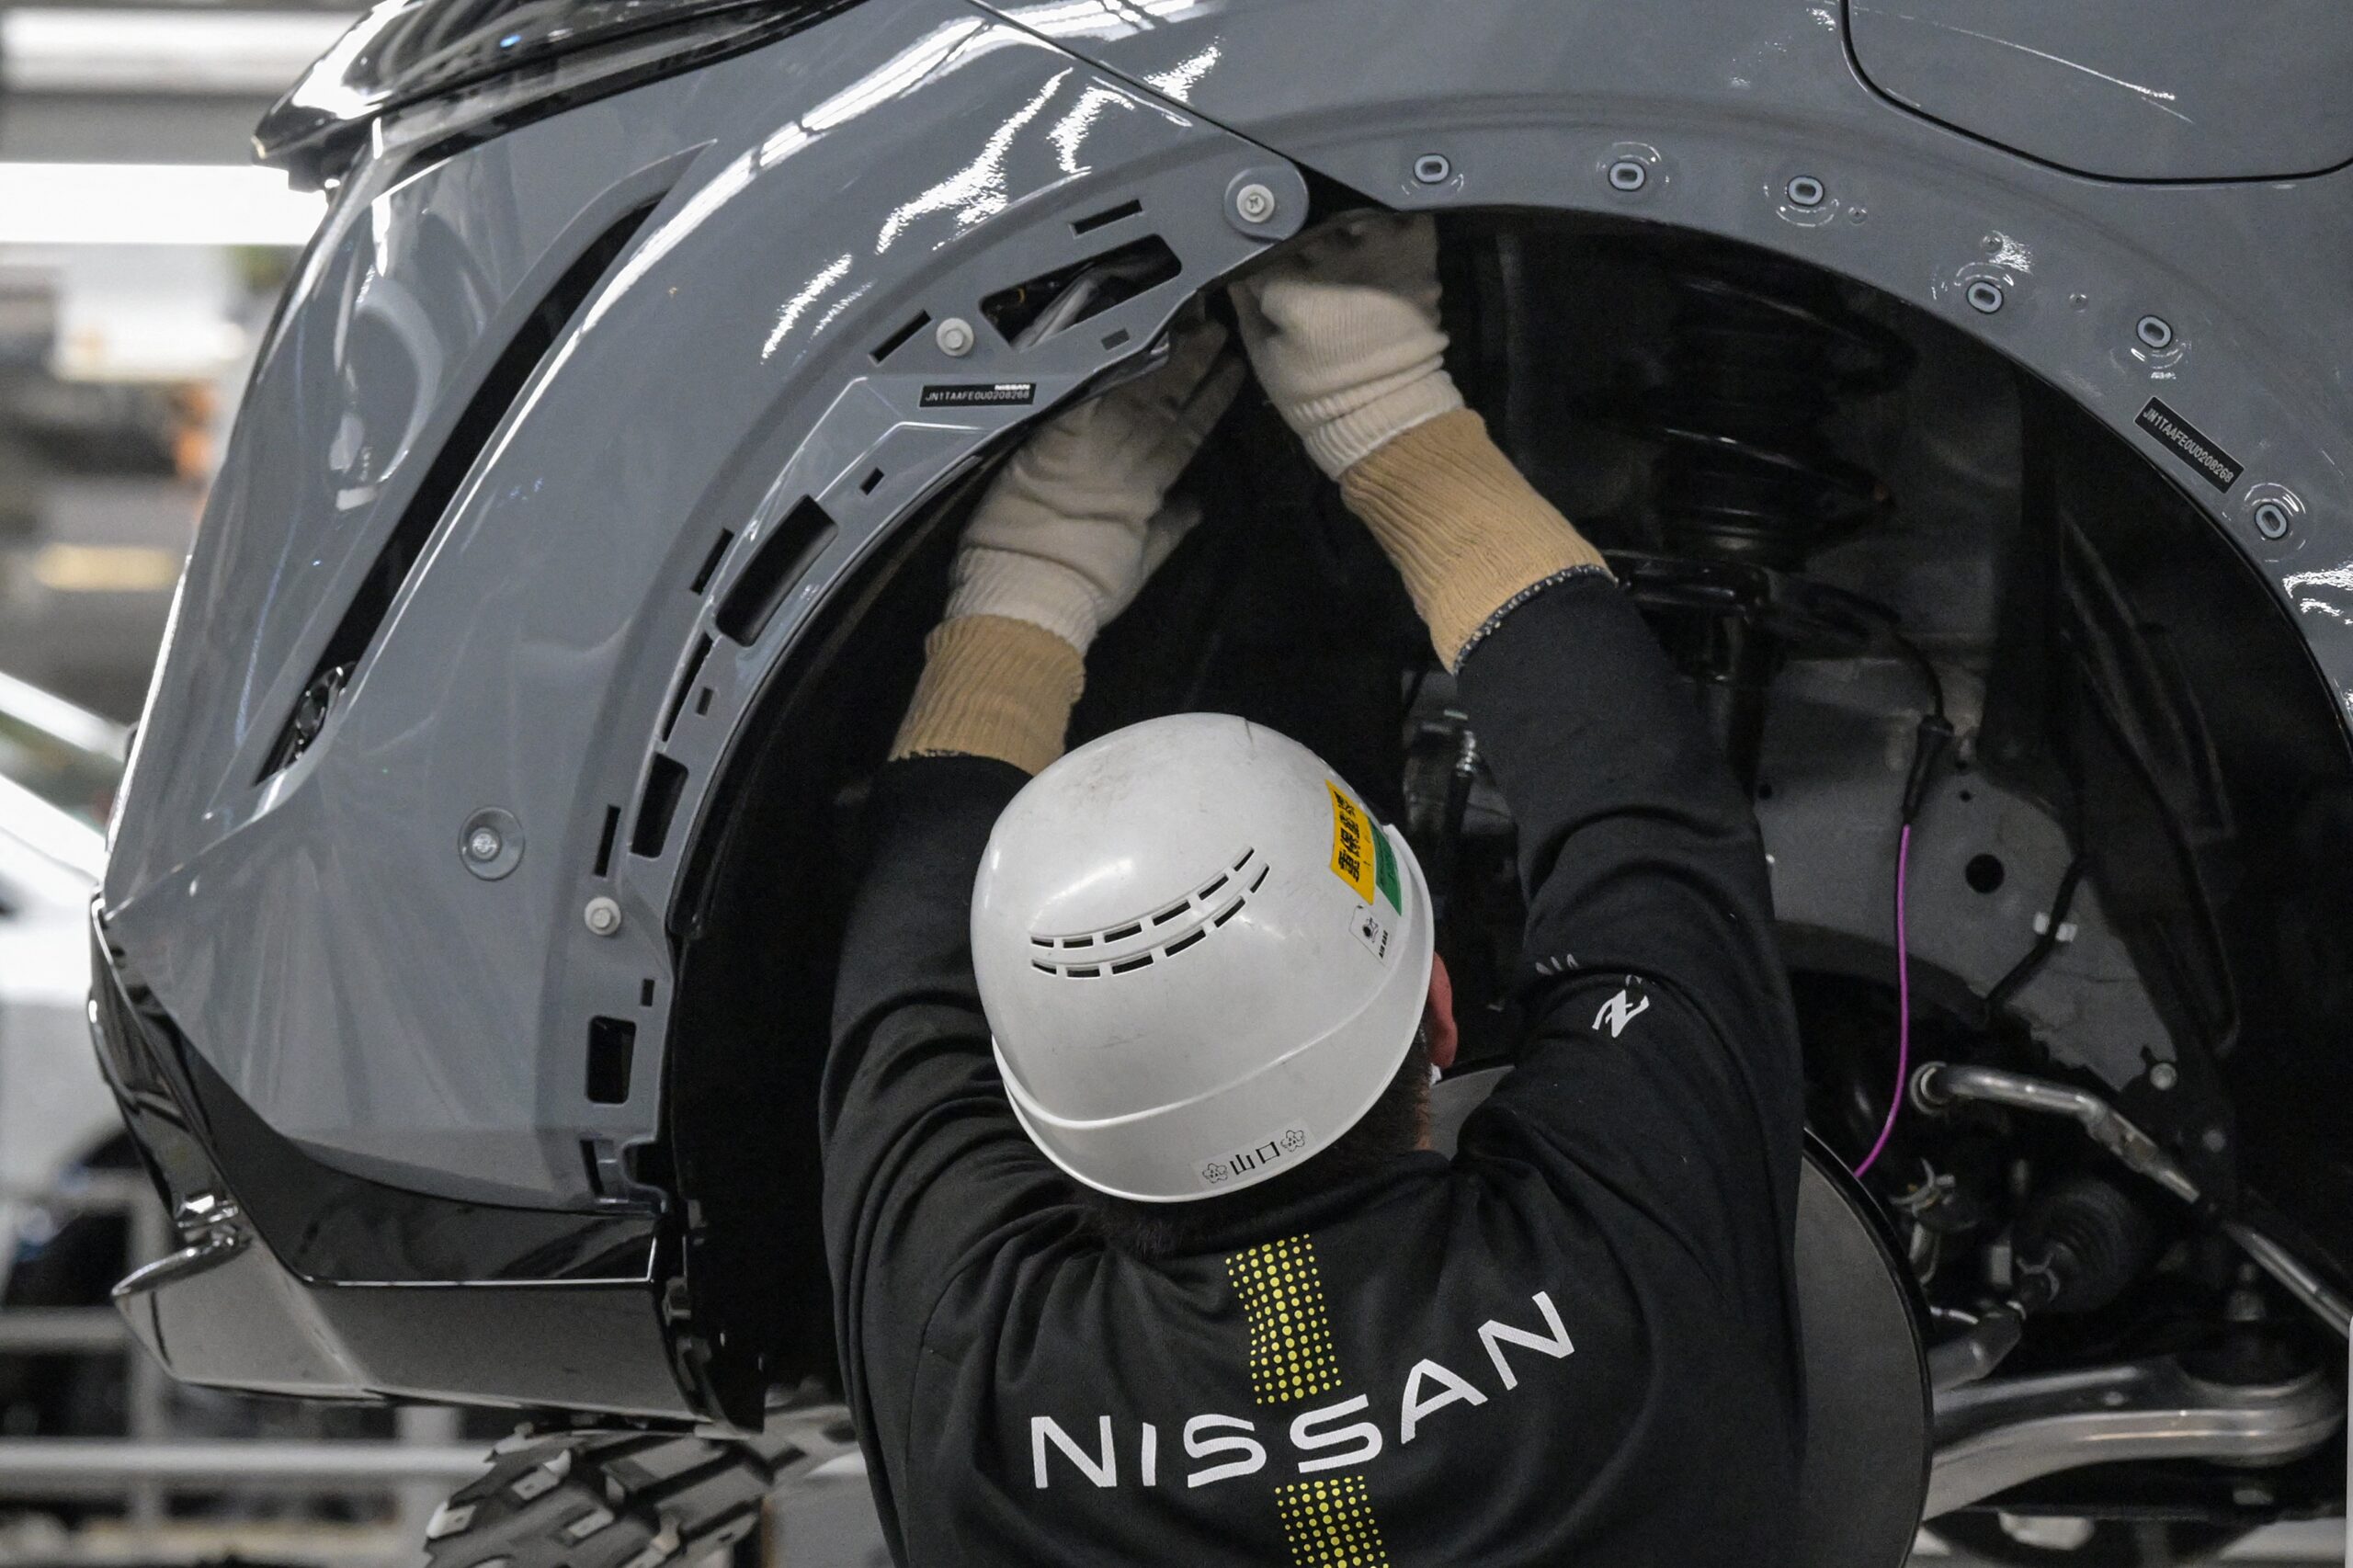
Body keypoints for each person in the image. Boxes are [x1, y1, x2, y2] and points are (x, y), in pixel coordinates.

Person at [822, 214, 1804, 1565]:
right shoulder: (972, 1367)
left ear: (1046, 1122)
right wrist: (1373, 405)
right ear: (1441, 1010)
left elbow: (1659, 842)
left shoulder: (974, 1380)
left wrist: (1046, 554)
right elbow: (1653, 828)